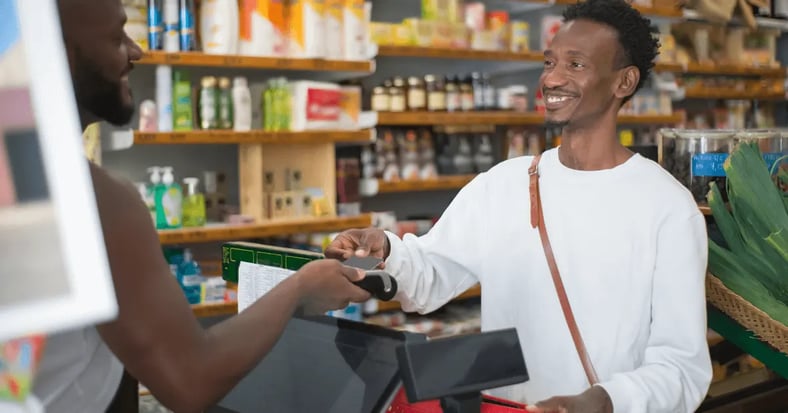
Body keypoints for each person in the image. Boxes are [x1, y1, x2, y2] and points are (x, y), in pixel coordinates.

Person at [327, 1, 713, 412]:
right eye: (549, 62)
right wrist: (384, 250)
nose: (553, 78)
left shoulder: (666, 206)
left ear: (624, 82)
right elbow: (430, 274)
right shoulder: (504, 184)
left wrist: (603, 401)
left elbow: (681, 366)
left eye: (576, 65)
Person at [32, 0, 372, 411]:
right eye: (115, 38)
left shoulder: (26, 182)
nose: (135, 51)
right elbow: (191, 380)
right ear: (59, 54)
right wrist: (301, 288)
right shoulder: (96, 200)